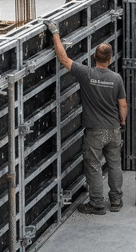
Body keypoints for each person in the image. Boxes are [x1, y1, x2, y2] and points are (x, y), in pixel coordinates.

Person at [45, 20, 128, 215]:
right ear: (110, 59)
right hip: (114, 130)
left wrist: (55, 33)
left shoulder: (86, 74)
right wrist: (121, 122)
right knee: (115, 164)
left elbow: (63, 59)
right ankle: (116, 200)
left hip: (95, 132)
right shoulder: (116, 78)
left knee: (94, 166)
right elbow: (123, 104)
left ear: (94, 57)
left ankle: (97, 204)